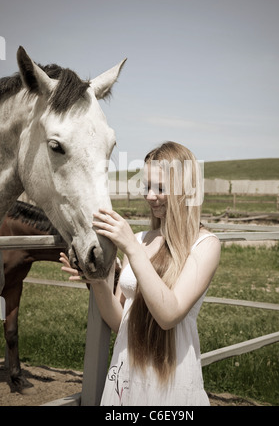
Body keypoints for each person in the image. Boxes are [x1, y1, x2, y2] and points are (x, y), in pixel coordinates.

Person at [60, 141, 221, 406]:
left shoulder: (205, 245)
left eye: (160, 188)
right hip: (125, 374)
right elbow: (118, 320)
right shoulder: (141, 239)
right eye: (146, 186)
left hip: (170, 381)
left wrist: (132, 248)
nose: (149, 196)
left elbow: (169, 315)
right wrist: (98, 280)